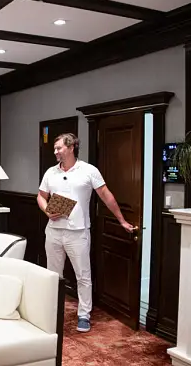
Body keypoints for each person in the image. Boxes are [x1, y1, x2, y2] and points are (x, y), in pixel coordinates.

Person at [37, 133, 134, 333]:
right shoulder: (50, 172)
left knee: (83, 275)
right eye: (55, 149)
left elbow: (106, 195)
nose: (55, 152)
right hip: (54, 231)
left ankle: (84, 314)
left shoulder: (89, 171)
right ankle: (52, 311)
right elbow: (41, 196)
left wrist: (122, 220)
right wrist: (47, 210)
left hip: (78, 232)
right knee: (53, 275)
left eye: (59, 148)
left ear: (71, 147)